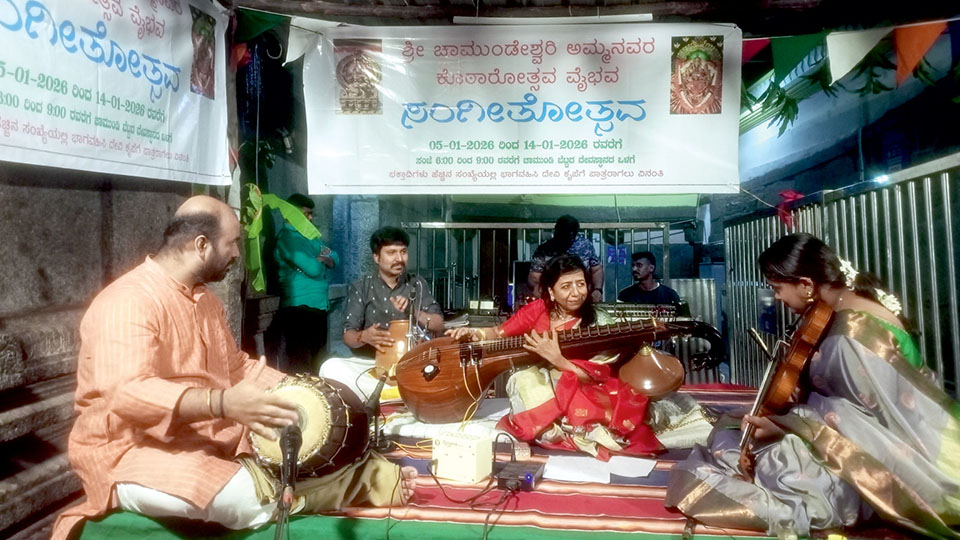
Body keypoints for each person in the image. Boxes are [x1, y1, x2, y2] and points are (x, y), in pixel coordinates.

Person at [53, 196, 415, 540]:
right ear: (201, 245)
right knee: (236, 495)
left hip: (206, 439)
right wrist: (221, 403)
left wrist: (314, 396)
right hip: (129, 452)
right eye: (233, 243)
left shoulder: (205, 299)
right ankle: (344, 486)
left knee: (313, 423)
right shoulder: (128, 301)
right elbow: (128, 392)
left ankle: (321, 477)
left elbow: (237, 366)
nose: (238, 254)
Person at [665, 233, 960, 539]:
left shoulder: (850, 333)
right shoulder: (847, 301)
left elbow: (856, 417)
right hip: (907, 428)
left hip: (901, 446)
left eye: (778, 289)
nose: (777, 298)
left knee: (779, 464)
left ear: (806, 285)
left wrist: (790, 426)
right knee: (737, 432)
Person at [448, 253, 663, 459]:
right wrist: (475, 333)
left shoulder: (599, 320)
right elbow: (497, 332)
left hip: (585, 387)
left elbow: (597, 376)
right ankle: (550, 425)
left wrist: (557, 359)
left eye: (580, 284)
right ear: (551, 292)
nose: (576, 293)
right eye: (566, 286)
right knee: (522, 380)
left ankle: (564, 428)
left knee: (569, 390)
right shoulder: (538, 310)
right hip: (546, 384)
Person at [320, 226, 444, 399]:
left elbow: (438, 323)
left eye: (403, 252)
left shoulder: (417, 284)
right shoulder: (361, 287)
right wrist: (364, 336)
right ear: (376, 257)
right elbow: (348, 336)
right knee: (330, 367)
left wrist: (413, 312)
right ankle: (394, 392)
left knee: (440, 369)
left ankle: (386, 393)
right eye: (391, 252)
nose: (399, 258)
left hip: (411, 364)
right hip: (372, 366)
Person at [271, 193, 339, 374]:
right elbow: (313, 268)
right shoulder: (288, 238)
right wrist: (323, 260)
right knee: (300, 365)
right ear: (290, 214)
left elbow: (335, 257)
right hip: (298, 307)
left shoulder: (311, 237)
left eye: (311, 214)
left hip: (318, 306)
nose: (310, 218)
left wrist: (321, 258)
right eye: (305, 214)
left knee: (318, 363)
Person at [528, 215, 604, 303]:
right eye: (561, 235)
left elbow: (596, 269)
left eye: (568, 236)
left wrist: (597, 289)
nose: (564, 239)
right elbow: (534, 275)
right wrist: (537, 287)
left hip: (581, 296)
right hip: (554, 297)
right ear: (556, 231)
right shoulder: (545, 249)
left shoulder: (585, 246)